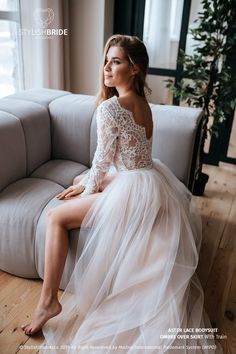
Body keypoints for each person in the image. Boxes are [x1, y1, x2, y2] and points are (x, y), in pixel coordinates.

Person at [21, 34, 222, 353]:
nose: (106, 67)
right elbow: (129, 160)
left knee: (54, 216)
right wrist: (86, 183)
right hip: (149, 179)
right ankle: (82, 187)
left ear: (135, 68)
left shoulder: (111, 108)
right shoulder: (143, 103)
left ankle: (48, 302)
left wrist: (90, 184)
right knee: (81, 178)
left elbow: (101, 163)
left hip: (132, 190)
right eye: (106, 60)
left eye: (116, 61)